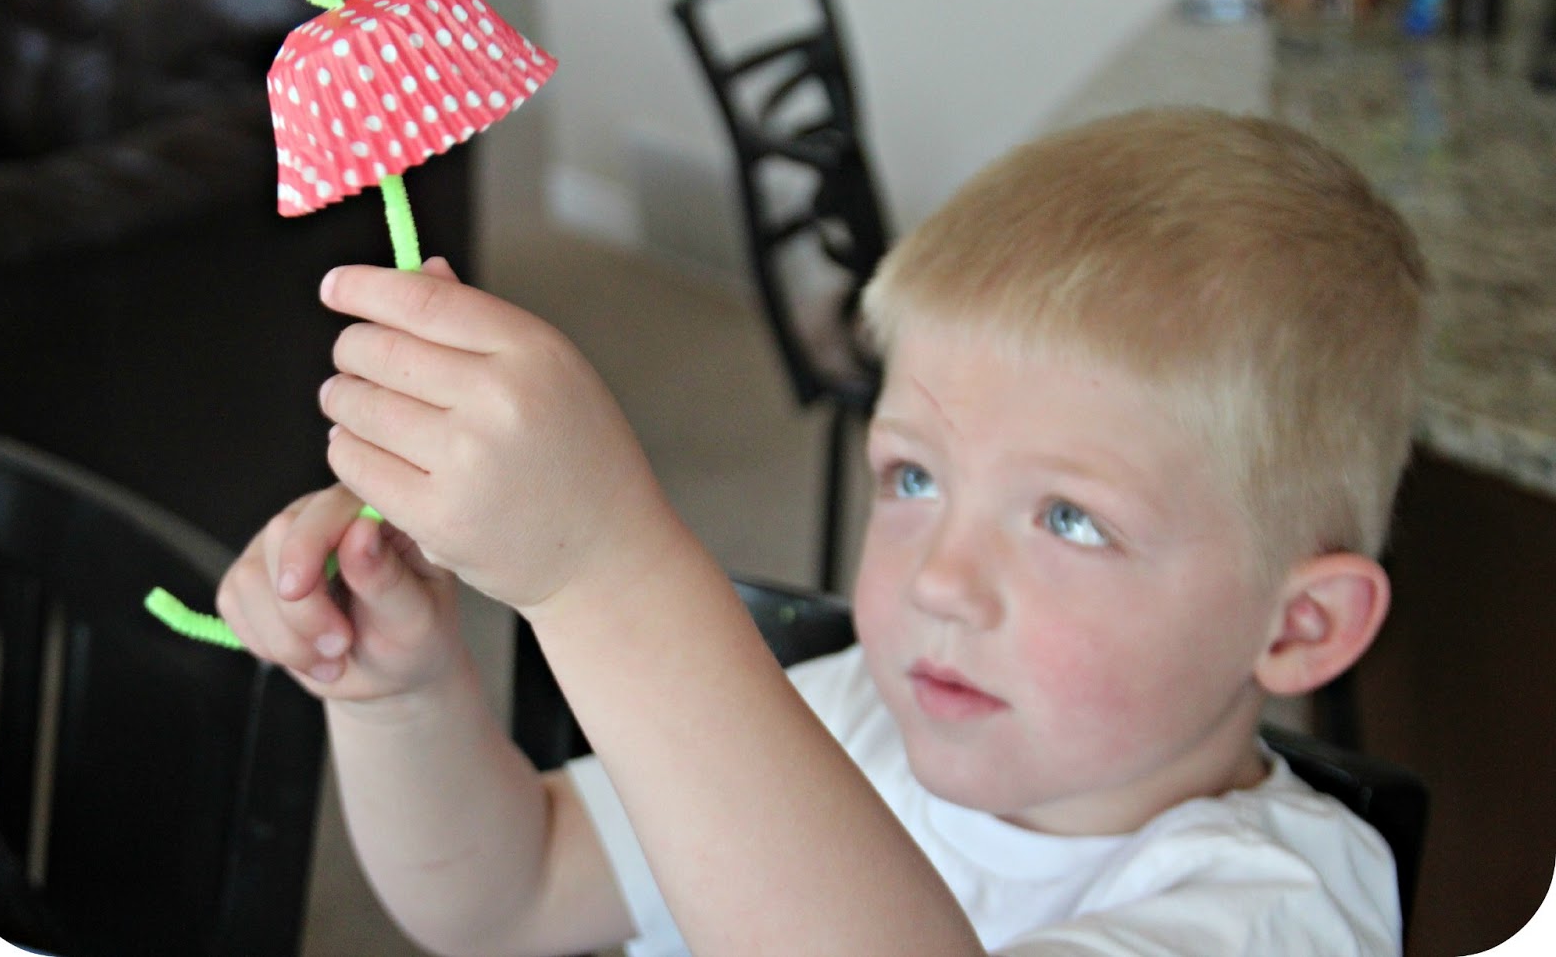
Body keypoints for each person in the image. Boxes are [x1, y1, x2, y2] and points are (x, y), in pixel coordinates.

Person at [218, 106, 1427, 955]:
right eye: (910, 478)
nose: (943, 580)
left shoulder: (1281, 909)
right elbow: (511, 893)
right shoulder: (852, 712)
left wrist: (609, 578)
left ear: (1298, 624)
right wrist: (404, 697)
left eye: (1069, 517)